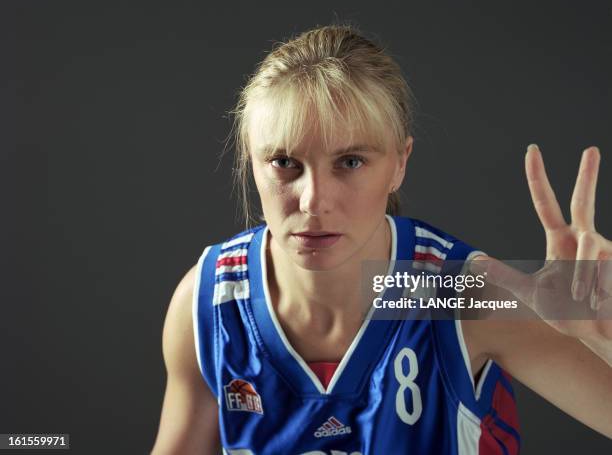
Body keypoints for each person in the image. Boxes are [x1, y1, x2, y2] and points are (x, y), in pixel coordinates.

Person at [150, 25, 612, 455]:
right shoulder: (208, 303)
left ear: (399, 164)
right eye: (285, 162)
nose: (313, 201)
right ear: (251, 161)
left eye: (350, 162)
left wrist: (604, 336)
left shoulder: (463, 298)